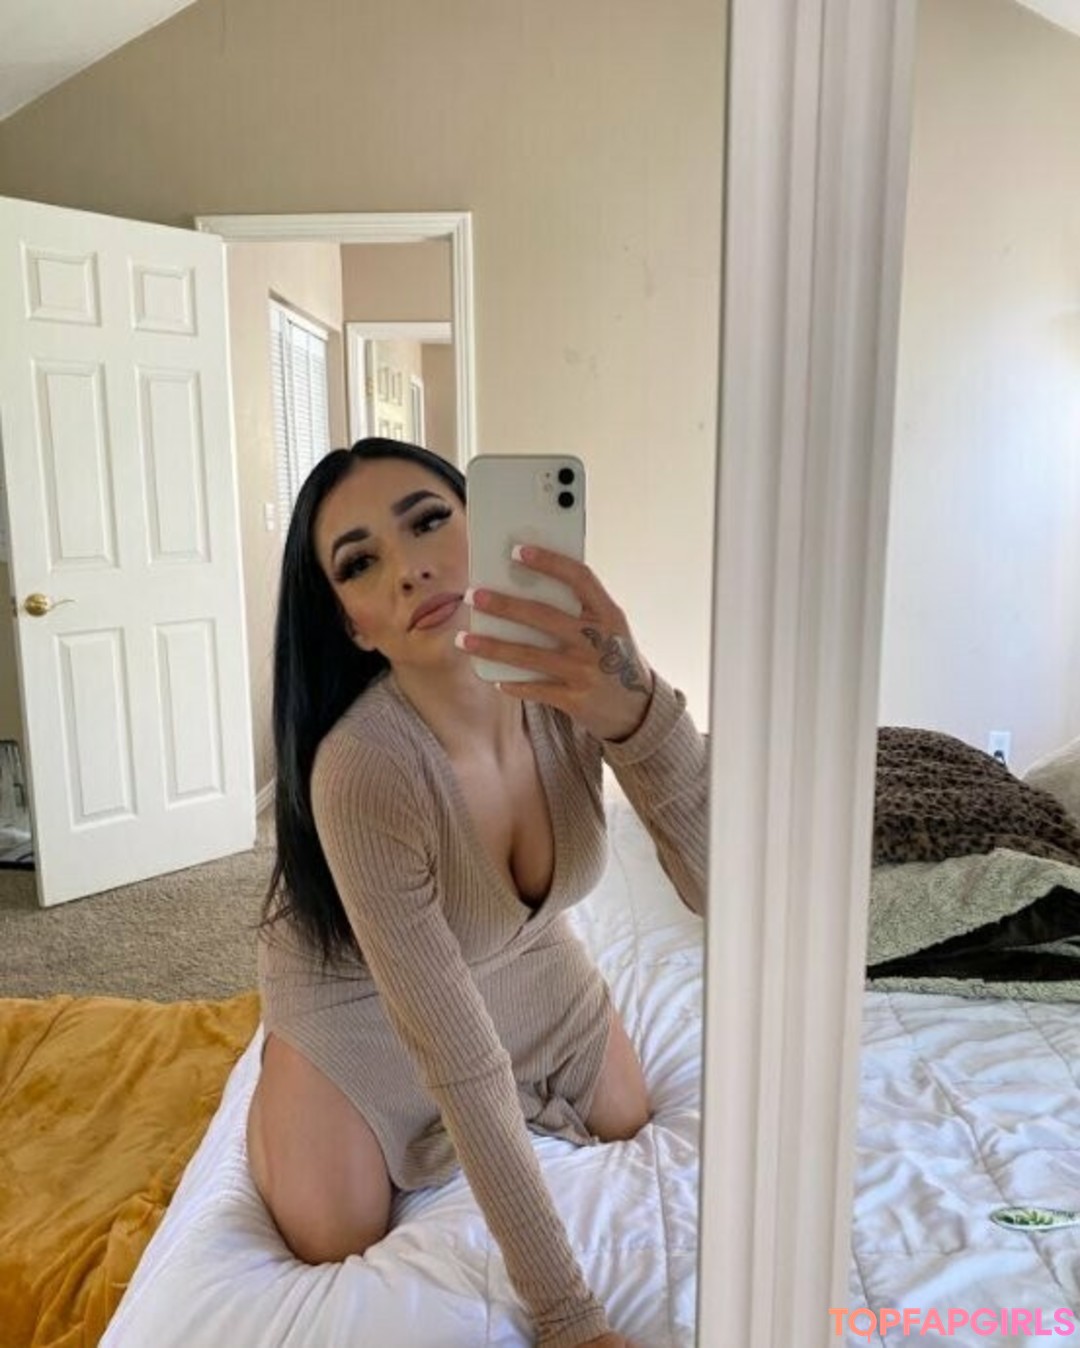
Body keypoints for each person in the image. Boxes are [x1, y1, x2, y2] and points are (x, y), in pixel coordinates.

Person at [249, 437, 708, 1348]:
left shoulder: (578, 685)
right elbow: (458, 1056)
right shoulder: (364, 768)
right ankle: (280, 1059)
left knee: (626, 1117)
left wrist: (636, 709)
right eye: (361, 563)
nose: (410, 568)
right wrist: (570, 1320)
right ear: (354, 627)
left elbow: (715, 886)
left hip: (518, 953)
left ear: (486, 526)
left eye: (429, 522)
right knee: (332, 1233)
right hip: (358, 990)